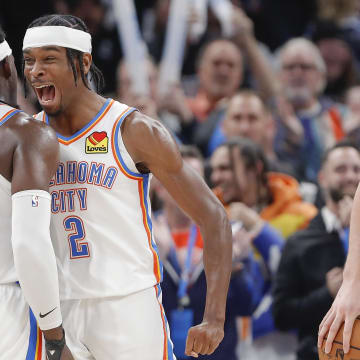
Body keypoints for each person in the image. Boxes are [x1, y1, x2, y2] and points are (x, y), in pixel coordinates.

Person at [22, 14, 232, 360]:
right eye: (29, 60)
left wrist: (213, 318)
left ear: (83, 61)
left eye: (49, 58)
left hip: (128, 305)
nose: (35, 71)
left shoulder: (132, 129)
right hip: (58, 312)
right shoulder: (27, 139)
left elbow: (214, 219)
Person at [0, 27, 73, 360]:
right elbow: (28, 244)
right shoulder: (24, 134)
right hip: (9, 312)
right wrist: (55, 334)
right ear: (8, 67)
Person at [273, 141, 360, 360]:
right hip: (316, 352)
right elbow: (281, 315)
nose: (350, 176)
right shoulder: (300, 241)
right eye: (341, 169)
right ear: (322, 178)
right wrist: (326, 294)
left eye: (356, 169)